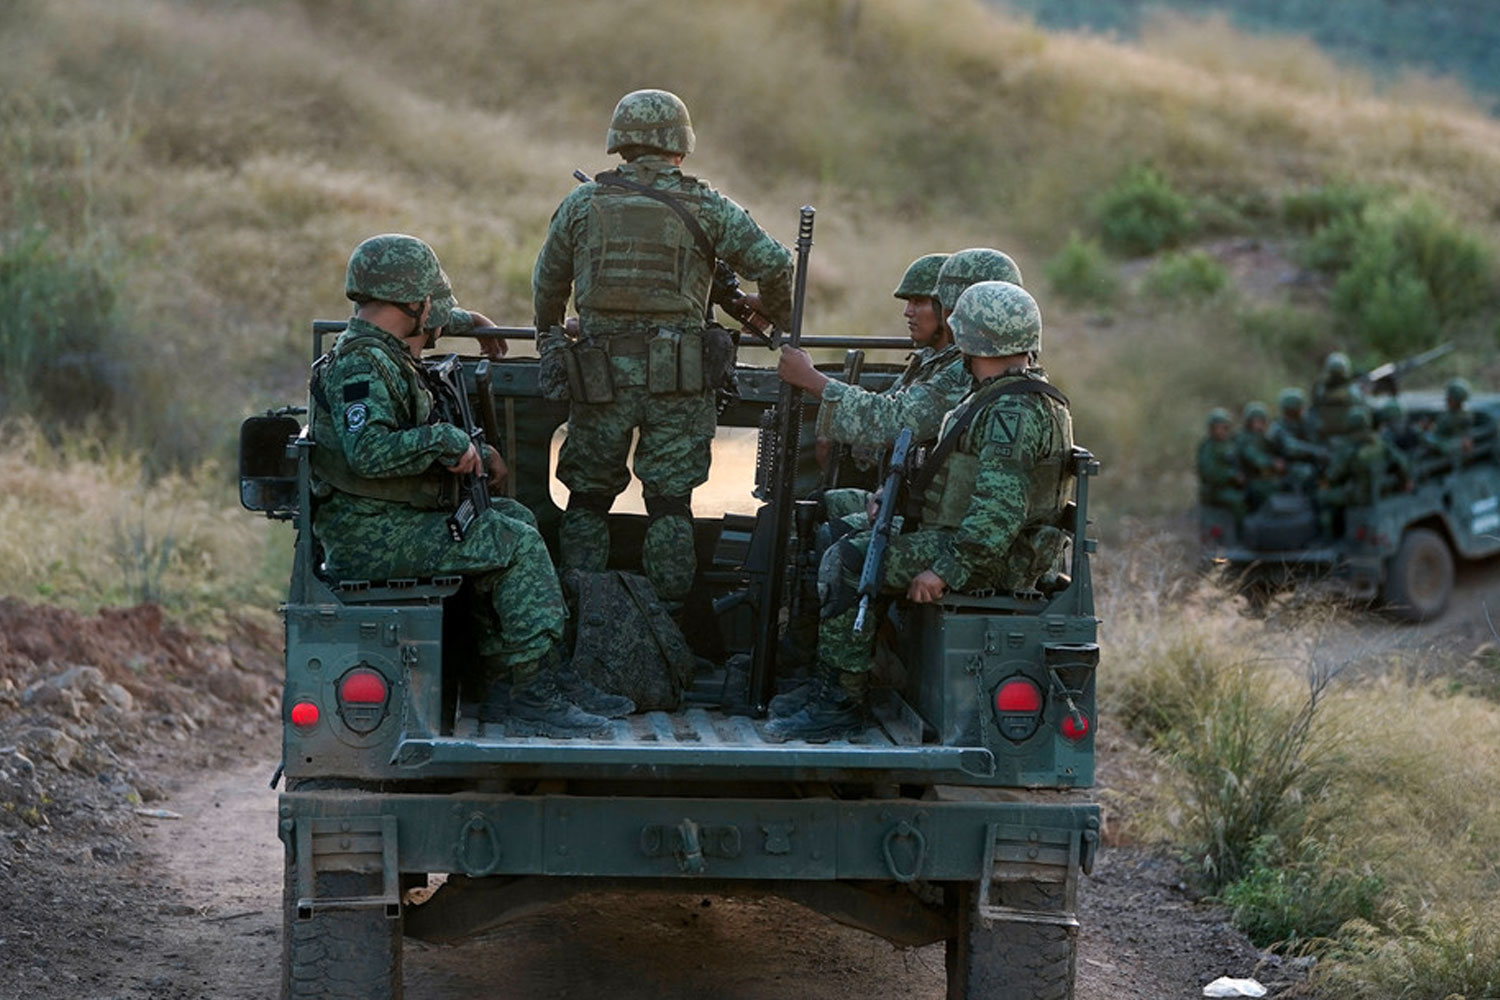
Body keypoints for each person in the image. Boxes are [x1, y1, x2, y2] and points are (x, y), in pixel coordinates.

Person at [310, 233, 625, 737]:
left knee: (513, 518)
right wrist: (446, 441)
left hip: (392, 522)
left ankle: (513, 678)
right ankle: (532, 695)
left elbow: (422, 324)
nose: (435, 319)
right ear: (413, 302)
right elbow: (366, 453)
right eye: (432, 306)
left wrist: (471, 322)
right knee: (515, 541)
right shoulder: (360, 367)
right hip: (370, 535)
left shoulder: (381, 345)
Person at [766, 280, 1072, 742]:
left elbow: (997, 513)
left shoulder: (1011, 411)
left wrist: (945, 570)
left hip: (988, 557)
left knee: (849, 563)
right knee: (839, 531)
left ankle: (840, 701)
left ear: (972, 339)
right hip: (977, 542)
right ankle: (827, 682)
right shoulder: (1007, 395)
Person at [532, 88, 794, 611]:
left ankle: (581, 618)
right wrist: (775, 314)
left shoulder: (583, 204)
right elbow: (776, 265)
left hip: (598, 376)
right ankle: (669, 627)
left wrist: (551, 342)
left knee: (586, 498)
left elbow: (548, 283)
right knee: (671, 504)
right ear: (681, 146)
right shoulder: (707, 204)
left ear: (619, 146)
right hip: (679, 377)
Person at [1318, 406, 1412, 536]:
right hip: (1382, 491)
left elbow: (1333, 476)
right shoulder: (1380, 441)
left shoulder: (1349, 447)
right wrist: (1406, 481)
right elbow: (1402, 461)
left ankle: (1328, 535)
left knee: (1321, 496)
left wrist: (1324, 480)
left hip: (1360, 496)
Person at [1197, 408, 1246, 523]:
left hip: (1231, 485)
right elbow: (1210, 472)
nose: (1220, 431)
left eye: (1223, 427)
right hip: (1215, 490)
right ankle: (1240, 533)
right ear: (1211, 429)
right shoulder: (1208, 448)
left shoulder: (1230, 444)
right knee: (1238, 501)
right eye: (1216, 428)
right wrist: (1232, 475)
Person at [1234, 401, 1284, 510]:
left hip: (1263, 477)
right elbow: (1254, 458)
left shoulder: (1265, 437)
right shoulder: (1242, 438)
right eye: (1255, 422)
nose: (1258, 425)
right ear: (1248, 422)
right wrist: (1272, 462)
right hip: (1249, 479)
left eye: (1261, 422)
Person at [1309, 351, 1364, 445]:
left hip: (1323, 436)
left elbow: (1313, 408)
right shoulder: (1352, 390)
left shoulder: (1320, 389)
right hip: (1348, 436)